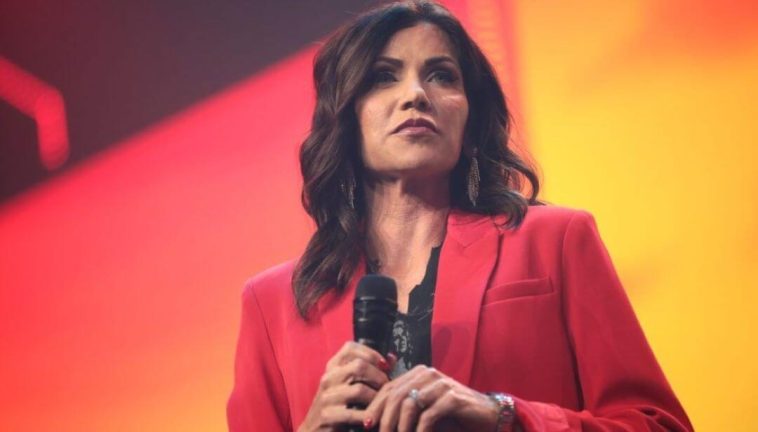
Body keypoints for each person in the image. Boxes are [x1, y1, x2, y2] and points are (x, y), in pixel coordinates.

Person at [227, 1, 693, 431]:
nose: (415, 94)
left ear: (469, 120)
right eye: (383, 77)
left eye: (442, 76)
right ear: (346, 118)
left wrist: (503, 415)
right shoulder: (272, 303)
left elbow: (659, 425)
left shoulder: (556, 240)